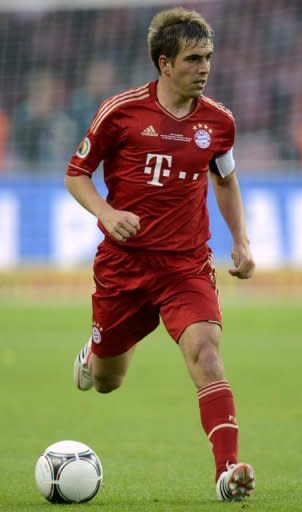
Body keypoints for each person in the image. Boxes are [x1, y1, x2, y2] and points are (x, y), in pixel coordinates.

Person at [65, 7, 256, 502]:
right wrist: (106, 214)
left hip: (185, 268)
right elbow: (75, 174)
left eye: (209, 57)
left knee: (208, 357)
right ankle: (95, 352)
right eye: (194, 59)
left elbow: (226, 179)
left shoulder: (218, 123)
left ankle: (227, 472)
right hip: (124, 269)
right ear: (164, 63)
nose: (205, 68)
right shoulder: (121, 112)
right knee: (108, 381)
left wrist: (241, 241)